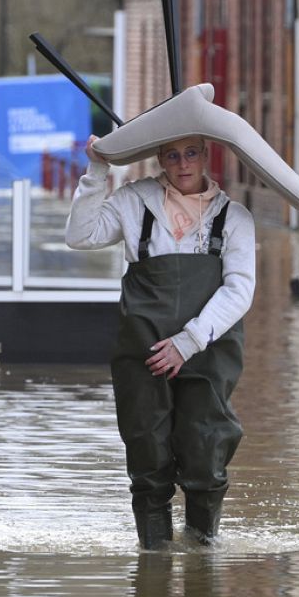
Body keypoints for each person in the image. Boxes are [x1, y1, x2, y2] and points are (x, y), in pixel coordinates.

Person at [66, 134, 256, 550]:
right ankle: (153, 560)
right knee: (147, 457)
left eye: (191, 153)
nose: (182, 164)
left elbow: (239, 291)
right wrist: (98, 169)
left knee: (206, 453)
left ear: (206, 155)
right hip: (143, 349)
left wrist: (187, 342)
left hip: (209, 351)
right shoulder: (135, 202)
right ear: (160, 158)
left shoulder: (235, 217)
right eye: (172, 155)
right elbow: (80, 236)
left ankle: (202, 555)